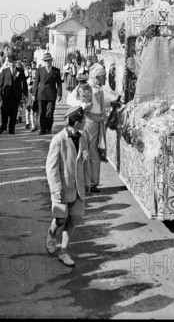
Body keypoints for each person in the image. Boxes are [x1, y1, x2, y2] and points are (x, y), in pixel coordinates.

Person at [45, 106, 90, 267]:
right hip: (63, 188)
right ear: (77, 123)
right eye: (83, 120)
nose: (85, 122)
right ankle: (51, 234)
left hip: (78, 187)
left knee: (72, 219)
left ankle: (63, 252)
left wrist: (87, 181)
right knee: (60, 218)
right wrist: (56, 189)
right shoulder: (58, 140)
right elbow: (51, 167)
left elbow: (85, 160)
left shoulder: (84, 136)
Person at [66, 65, 107, 193]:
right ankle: (88, 182)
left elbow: (100, 104)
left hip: (96, 122)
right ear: (96, 77)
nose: (104, 78)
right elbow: (70, 99)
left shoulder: (97, 88)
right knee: (88, 152)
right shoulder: (85, 87)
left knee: (92, 152)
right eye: (102, 76)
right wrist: (83, 105)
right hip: (89, 122)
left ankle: (91, 182)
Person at [0, 55, 28, 135]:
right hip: (6, 95)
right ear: (8, 63)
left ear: (15, 62)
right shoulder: (5, 71)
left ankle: (11, 129)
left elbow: (24, 83)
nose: (12, 64)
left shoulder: (20, 71)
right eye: (10, 63)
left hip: (16, 95)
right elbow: (0, 82)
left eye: (13, 62)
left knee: (14, 112)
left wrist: (25, 93)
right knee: (4, 112)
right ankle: (3, 127)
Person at [33, 52, 62, 135]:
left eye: (48, 60)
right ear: (43, 61)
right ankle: (42, 129)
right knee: (42, 112)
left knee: (50, 112)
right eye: (45, 61)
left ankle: (49, 128)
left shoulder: (56, 71)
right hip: (41, 94)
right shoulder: (40, 70)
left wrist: (59, 94)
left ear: (51, 60)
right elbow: (36, 83)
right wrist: (34, 94)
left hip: (51, 94)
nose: (47, 62)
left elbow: (59, 83)